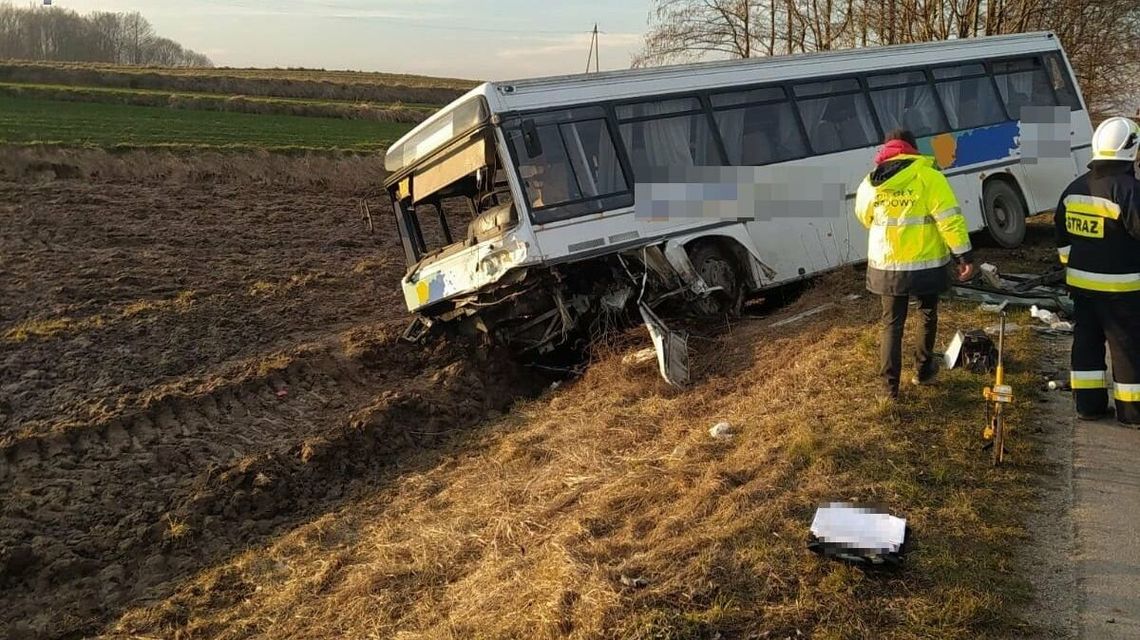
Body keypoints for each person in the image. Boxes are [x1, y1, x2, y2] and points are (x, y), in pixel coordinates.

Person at [855, 129, 976, 399]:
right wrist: (964, 256)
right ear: (912, 148)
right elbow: (949, 220)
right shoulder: (929, 176)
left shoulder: (871, 182)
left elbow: (864, 217)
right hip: (925, 264)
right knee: (927, 314)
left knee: (891, 324)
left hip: (887, 266)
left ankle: (889, 391)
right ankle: (922, 371)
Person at [1054, 116, 1140, 425]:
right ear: (1131, 150)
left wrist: (1072, 270)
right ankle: (1132, 412)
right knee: (1126, 348)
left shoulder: (1074, 188)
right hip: (1123, 290)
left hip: (1082, 287)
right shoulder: (1129, 191)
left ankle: (1088, 406)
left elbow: (1062, 240)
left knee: (1087, 343)